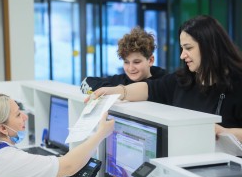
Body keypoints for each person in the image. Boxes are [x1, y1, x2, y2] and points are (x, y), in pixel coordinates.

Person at [89, 15, 242, 141]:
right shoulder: (181, 80)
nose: (183, 55)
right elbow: (149, 88)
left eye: (188, 48)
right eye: (182, 48)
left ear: (210, 46)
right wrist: (118, 91)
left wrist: (227, 133)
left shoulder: (238, 84)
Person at [80, 26, 166, 94]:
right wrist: (114, 90)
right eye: (126, 62)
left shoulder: (165, 81)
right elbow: (86, 83)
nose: (131, 68)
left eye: (136, 62)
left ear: (150, 60)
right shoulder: (121, 80)